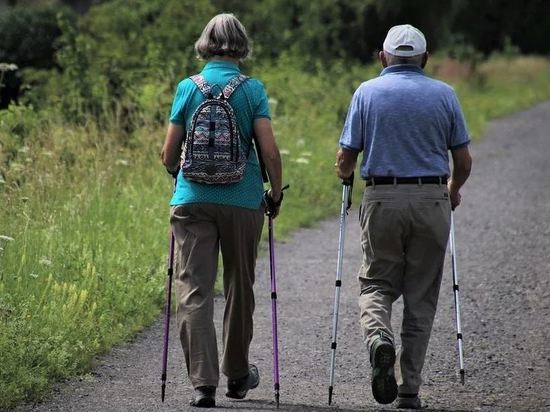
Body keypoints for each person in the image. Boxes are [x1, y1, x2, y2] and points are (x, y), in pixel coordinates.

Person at [335, 24, 472, 409]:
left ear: (383, 57)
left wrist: (343, 174)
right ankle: (409, 388)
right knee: (421, 296)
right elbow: (462, 162)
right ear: (425, 60)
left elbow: (346, 159)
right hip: (432, 199)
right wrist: (452, 190)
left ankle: (379, 338)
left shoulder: (367, 92)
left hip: (382, 198)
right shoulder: (445, 95)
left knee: (376, 283)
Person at [161, 13, 283, 408]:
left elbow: (168, 154)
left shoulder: (187, 87)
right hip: (243, 199)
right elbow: (268, 150)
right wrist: (275, 193)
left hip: (192, 200)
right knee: (239, 287)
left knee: (195, 289)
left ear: (205, 44)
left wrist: (182, 179)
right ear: (241, 45)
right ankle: (237, 375)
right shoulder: (253, 90)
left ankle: (203, 384)